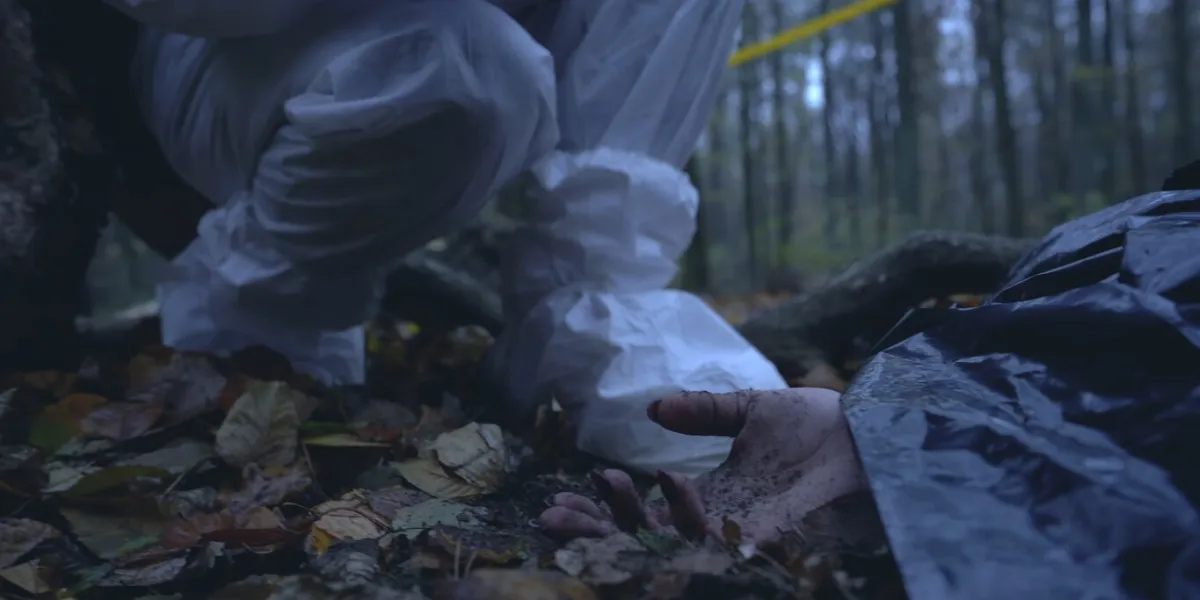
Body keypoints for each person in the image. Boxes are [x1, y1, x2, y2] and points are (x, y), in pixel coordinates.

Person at [105, 0, 788, 477]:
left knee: (470, 55)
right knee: (452, 59)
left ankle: (589, 306)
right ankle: (265, 320)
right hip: (238, 63)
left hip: (495, 49)